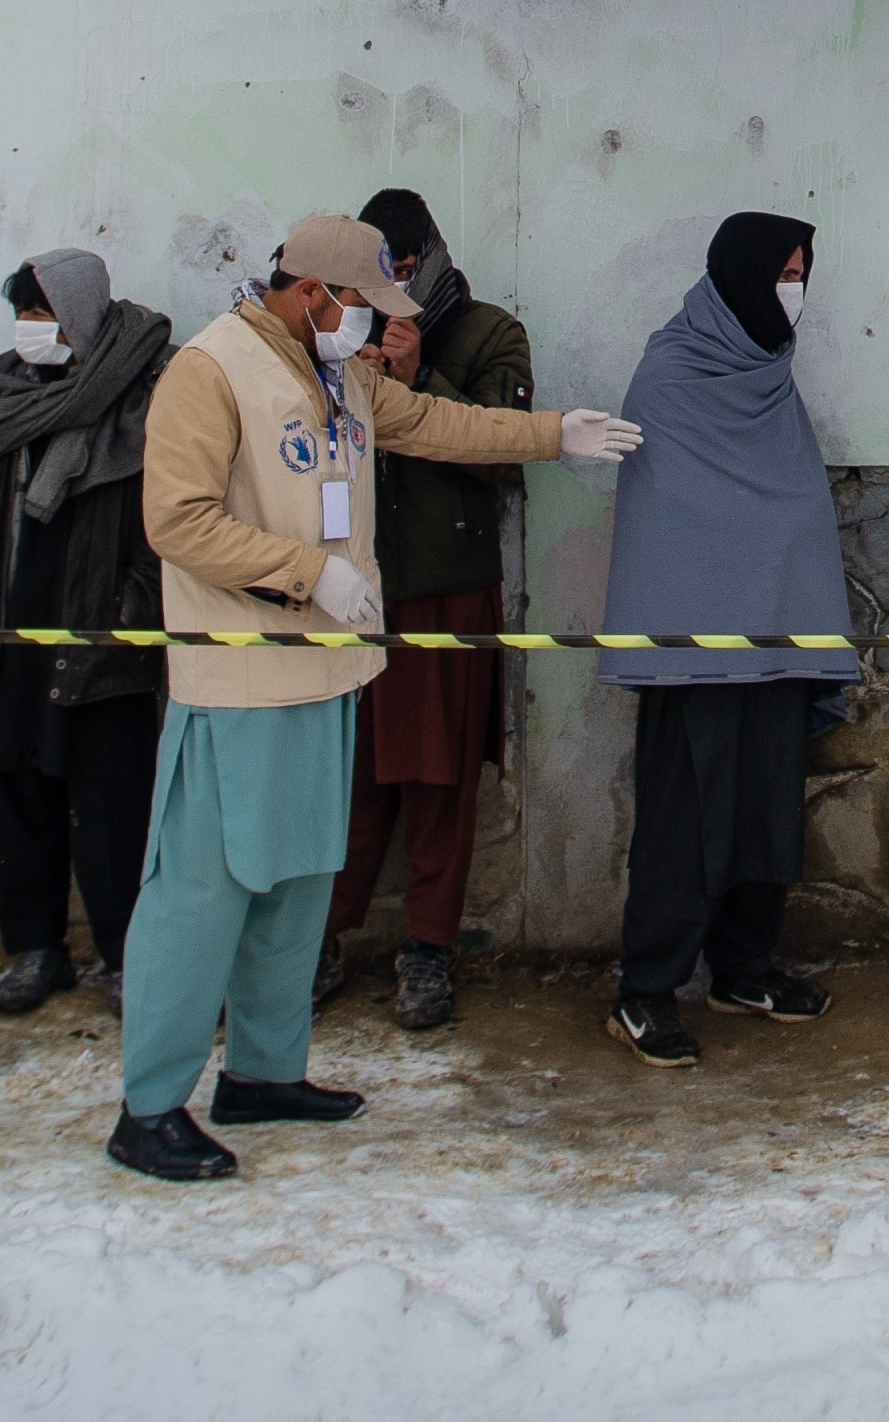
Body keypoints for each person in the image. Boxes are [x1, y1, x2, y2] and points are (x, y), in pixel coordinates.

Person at [107, 214, 640, 1183]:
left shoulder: (337, 375)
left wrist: (550, 434)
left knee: (298, 885)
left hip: (326, 675)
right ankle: (148, 1105)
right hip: (238, 682)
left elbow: (437, 423)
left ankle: (263, 1075)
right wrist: (303, 573)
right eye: (360, 305)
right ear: (313, 292)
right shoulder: (211, 369)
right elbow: (174, 519)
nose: (369, 328)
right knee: (201, 895)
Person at [598, 212, 853, 1068]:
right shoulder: (671, 376)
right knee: (684, 822)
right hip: (694, 652)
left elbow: (791, 512)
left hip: (775, 638)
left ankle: (744, 967)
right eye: (782, 272)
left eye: (802, 272)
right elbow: (670, 514)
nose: (794, 289)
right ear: (740, 276)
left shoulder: (772, 380)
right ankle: (646, 990)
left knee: (767, 814)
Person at [317, 188, 535, 1033]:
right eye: (376, 276)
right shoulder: (335, 329)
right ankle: (321, 941)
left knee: (439, 780)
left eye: (403, 272)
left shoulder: (489, 333)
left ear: (430, 260)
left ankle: (429, 950)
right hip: (351, 585)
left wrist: (419, 378)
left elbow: (504, 454)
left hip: (447, 588)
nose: (389, 291)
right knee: (351, 775)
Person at [0, 249, 172, 1016]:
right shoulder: (10, 390)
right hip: (17, 622)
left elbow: (166, 514)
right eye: (23, 314)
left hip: (104, 634)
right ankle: (36, 949)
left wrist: (132, 612)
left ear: (80, 316)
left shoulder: (146, 390)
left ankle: (124, 954)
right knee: (18, 787)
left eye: (43, 314)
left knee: (112, 804)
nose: (29, 330)